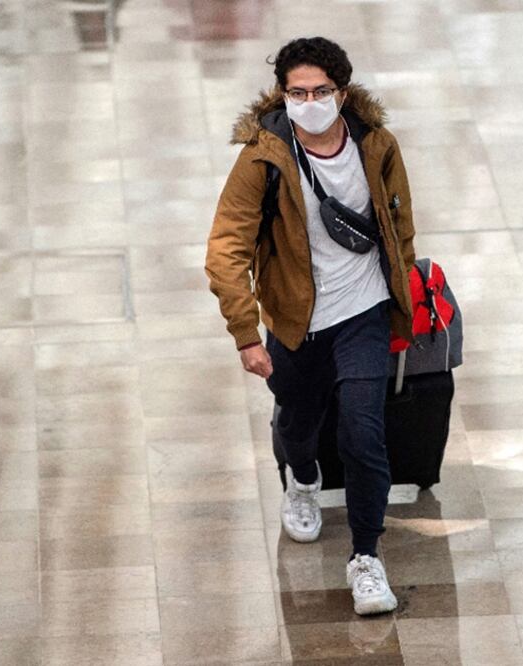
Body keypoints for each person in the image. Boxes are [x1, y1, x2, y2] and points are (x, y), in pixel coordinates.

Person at [205, 36, 417, 615]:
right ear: (283, 95)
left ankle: (366, 557)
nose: (310, 101)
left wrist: (402, 298)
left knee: (363, 434)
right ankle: (301, 478)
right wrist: (246, 333)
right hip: (296, 322)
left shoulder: (376, 145)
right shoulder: (261, 159)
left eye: (321, 91)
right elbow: (227, 248)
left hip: (364, 312)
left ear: (342, 93)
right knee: (297, 423)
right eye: (297, 92)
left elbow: (400, 227)